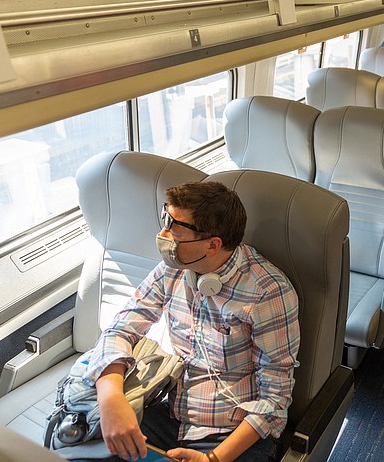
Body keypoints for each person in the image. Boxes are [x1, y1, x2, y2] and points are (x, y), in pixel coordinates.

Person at [81, 181, 300, 462]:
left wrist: (213, 459)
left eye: (175, 228)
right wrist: (111, 399)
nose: (163, 234)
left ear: (212, 245)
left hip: (231, 433)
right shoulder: (173, 270)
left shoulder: (267, 293)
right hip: (172, 415)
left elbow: (274, 402)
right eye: (165, 219)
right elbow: (121, 328)